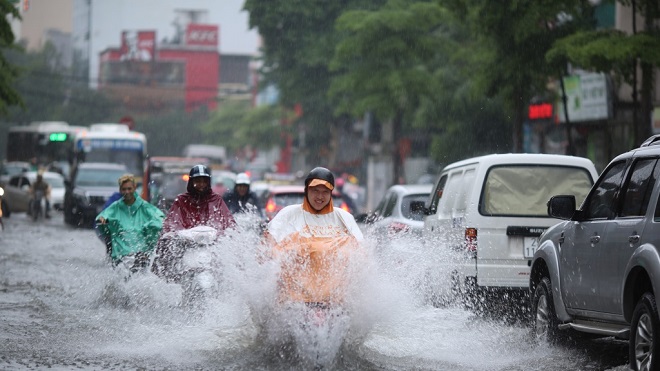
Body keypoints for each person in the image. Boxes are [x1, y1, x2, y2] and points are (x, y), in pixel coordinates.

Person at [265, 167, 364, 307]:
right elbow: (270, 243)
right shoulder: (288, 214)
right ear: (306, 190)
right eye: (315, 191)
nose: (320, 197)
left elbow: (360, 251)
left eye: (325, 192)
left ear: (331, 193)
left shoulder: (344, 217)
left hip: (334, 301)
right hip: (294, 299)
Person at [151, 164, 236, 282]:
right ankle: (169, 282)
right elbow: (171, 223)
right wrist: (176, 234)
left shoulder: (216, 200)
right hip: (185, 246)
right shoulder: (181, 200)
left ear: (208, 182)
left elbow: (228, 223)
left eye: (204, 181)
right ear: (191, 182)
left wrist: (223, 234)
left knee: (227, 269)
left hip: (211, 247)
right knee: (167, 254)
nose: (201, 185)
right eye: (197, 181)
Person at [96, 174, 165, 268]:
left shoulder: (144, 206)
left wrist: (149, 226)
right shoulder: (115, 207)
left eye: (129, 189)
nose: (127, 192)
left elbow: (160, 218)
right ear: (120, 190)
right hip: (121, 256)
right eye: (124, 189)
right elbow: (102, 218)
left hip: (141, 254)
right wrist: (103, 220)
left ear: (135, 188)